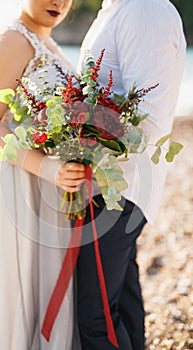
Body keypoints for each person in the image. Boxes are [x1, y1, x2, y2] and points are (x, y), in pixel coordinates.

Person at [0, 0, 85, 349]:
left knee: (44, 293)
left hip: (52, 186)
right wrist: (47, 167)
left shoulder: (50, 44)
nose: (59, 2)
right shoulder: (12, 40)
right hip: (17, 182)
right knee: (13, 297)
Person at [74, 0, 186, 349]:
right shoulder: (118, 8)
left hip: (115, 186)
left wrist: (78, 126)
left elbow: (147, 118)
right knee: (120, 302)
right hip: (110, 184)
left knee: (97, 317)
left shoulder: (144, 8)